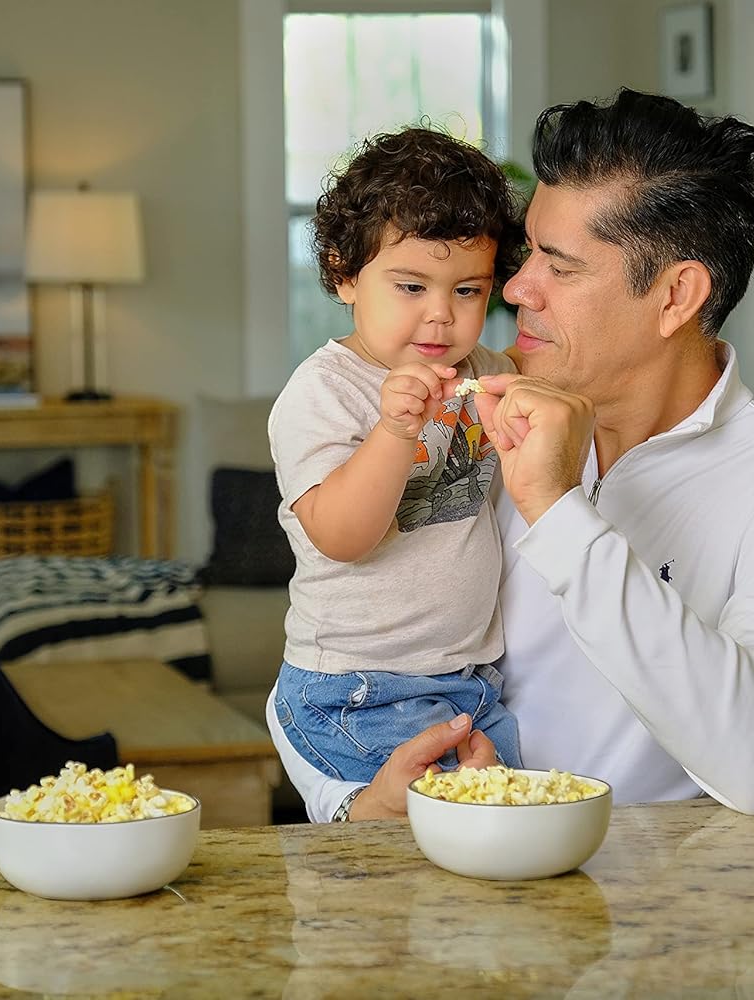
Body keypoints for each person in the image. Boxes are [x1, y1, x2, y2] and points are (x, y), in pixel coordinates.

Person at [269, 89, 754, 822]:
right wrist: (356, 805)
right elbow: (344, 642)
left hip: (668, 908)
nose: (514, 289)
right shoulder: (477, 406)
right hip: (465, 897)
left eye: (559, 265)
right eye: (526, 257)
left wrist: (558, 511)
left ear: (677, 295)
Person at [268, 126, 527, 786]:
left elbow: (552, 383)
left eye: (467, 290)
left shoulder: (484, 370)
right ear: (343, 274)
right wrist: (392, 432)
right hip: (356, 690)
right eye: (412, 287)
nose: (441, 316)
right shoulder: (325, 391)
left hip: (466, 685)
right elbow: (342, 536)